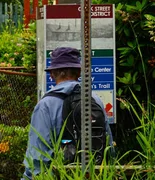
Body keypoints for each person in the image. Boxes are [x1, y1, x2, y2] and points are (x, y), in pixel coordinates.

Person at [22, 46, 113, 179]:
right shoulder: (94, 99)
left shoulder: (45, 105)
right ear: (79, 72)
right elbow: (108, 143)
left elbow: (37, 156)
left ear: (52, 74)